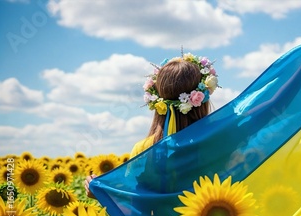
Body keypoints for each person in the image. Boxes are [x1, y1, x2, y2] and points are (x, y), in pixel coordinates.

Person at [85, 52, 218, 198]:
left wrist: (103, 194)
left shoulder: (143, 150)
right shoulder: (218, 141)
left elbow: (136, 201)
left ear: (157, 102)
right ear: (202, 100)